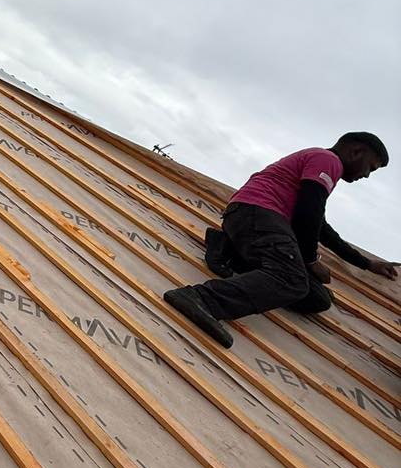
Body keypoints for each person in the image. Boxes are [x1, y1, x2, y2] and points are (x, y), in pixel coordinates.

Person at [164, 133, 396, 348]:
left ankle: (229, 250)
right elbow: (308, 214)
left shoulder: (318, 164)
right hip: (258, 214)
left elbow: (320, 227)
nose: (366, 175)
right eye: (371, 168)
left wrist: (366, 263)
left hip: (251, 220)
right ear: (356, 152)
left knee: (317, 298)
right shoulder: (327, 160)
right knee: (292, 280)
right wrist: (310, 259)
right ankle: (201, 298)